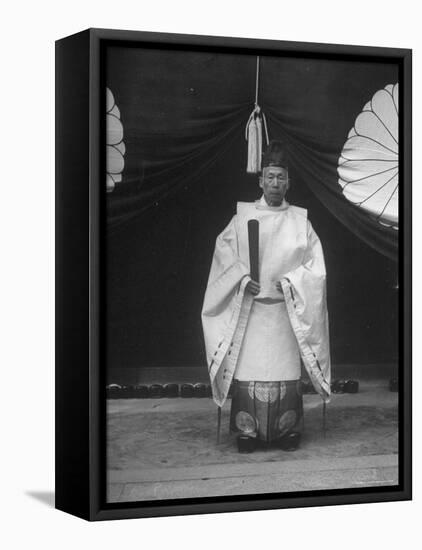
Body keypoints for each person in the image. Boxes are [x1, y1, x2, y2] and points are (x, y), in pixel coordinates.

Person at [201, 141, 331, 452]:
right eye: (270, 176)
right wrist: (243, 279)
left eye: (281, 177)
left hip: (286, 312)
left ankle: (288, 431)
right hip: (254, 311)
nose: (275, 183)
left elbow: (316, 269)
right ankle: (248, 431)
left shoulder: (301, 222)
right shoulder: (243, 217)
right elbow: (224, 257)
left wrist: (291, 282)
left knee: (285, 373)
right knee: (251, 372)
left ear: (289, 181)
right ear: (261, 179)